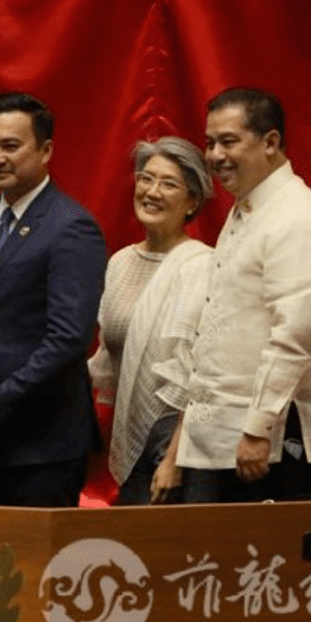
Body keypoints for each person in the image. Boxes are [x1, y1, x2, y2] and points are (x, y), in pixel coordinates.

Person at [161, 87, 311, 503]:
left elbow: (294, 336)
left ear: (270, 142)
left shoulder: (296, 216)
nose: (216, 155)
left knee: (262, 562)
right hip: (225, 430)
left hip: (276, 438)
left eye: (229, 141)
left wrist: (259, 428)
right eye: (210, 142)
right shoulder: (250, 208)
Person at [0, 92, 106, 507]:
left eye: (10, 146)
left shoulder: (71, 227)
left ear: (45, 150)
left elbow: (68, 339)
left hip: (42, 445)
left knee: (36, 570)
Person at [86, 137, 213, 504]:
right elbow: (106, 360)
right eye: (146, 178)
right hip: (129, 442)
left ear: (193, 201)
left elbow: (200, 376)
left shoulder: (202, 265)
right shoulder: (120, 262)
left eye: (168, 183)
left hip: (178, 443)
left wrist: (174, 459)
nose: (152, 191)